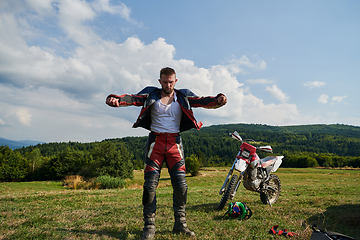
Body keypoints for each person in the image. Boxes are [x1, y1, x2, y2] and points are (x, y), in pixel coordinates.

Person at [106, 67, 227, 239]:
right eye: (165, 82)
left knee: (181, 186)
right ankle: (149, 227)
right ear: (160, 81)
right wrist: (116, 99)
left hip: (174, 145)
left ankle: (180, 224)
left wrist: (218, 99)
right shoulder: (151, 94)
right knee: (149, 187)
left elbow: (203, 101)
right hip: (155, 144)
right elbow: (132, 98)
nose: (168, 85)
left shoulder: (183, 96)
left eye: (171, 82)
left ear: (175, 81)